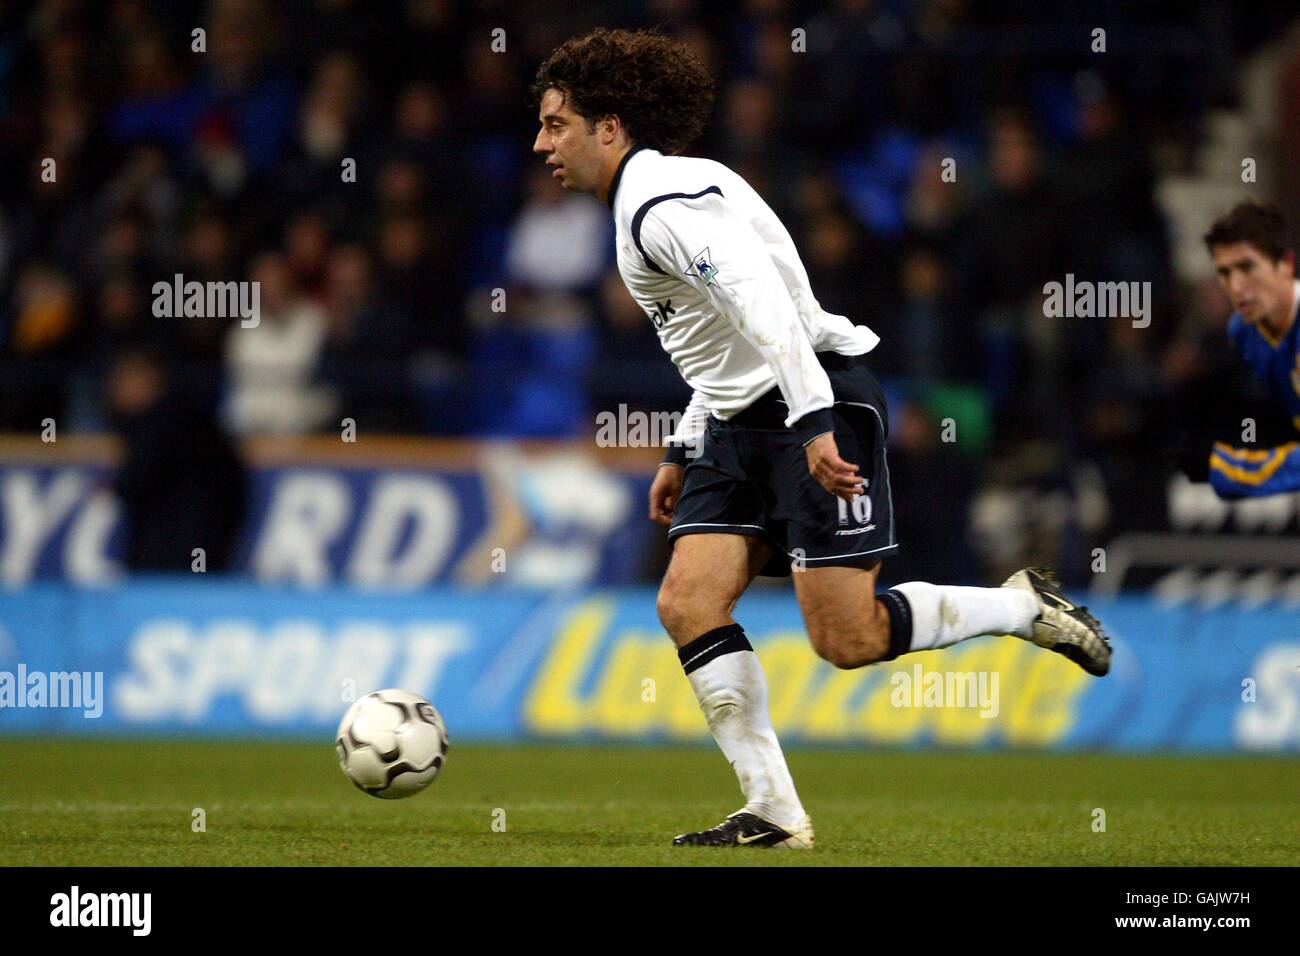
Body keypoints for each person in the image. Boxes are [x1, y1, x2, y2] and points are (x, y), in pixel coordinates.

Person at [530, 28, 1111, 849]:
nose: (541, 143)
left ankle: (1020, 606)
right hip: (738, 420)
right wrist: (683, 443)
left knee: (846, 638)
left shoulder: (662, 207)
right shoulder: (652, 198)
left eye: (557, 124)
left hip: (817, 399)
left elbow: (766, 311)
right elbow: (725, 341)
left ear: (611, 127)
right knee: (687, 601)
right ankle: (773, 809)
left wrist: (810, 424)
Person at [1202, 201, 1300, 498]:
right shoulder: (1243, 331)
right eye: (1224, 272)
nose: (1236, 286)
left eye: (1247, 267)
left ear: (1285, 265)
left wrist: (1231, 469)